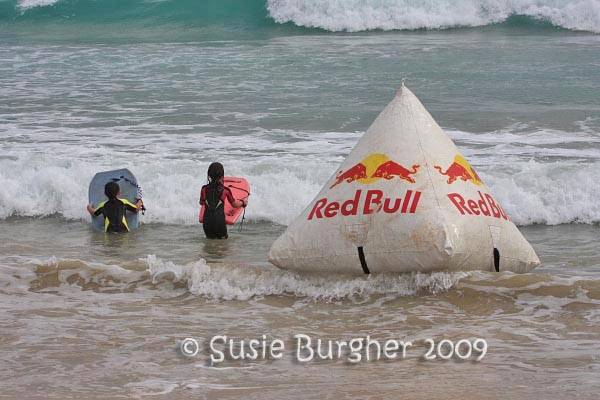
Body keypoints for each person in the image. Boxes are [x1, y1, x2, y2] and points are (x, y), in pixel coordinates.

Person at [200, 162, 247, 239]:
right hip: (220, 222)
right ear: (222, 176)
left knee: (210, 243)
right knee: (223, 243)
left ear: (209, 175)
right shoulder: (225, 190)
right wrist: (243, 202)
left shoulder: (204, 189)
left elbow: (201, 203)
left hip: (207, 222)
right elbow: (235, 204)